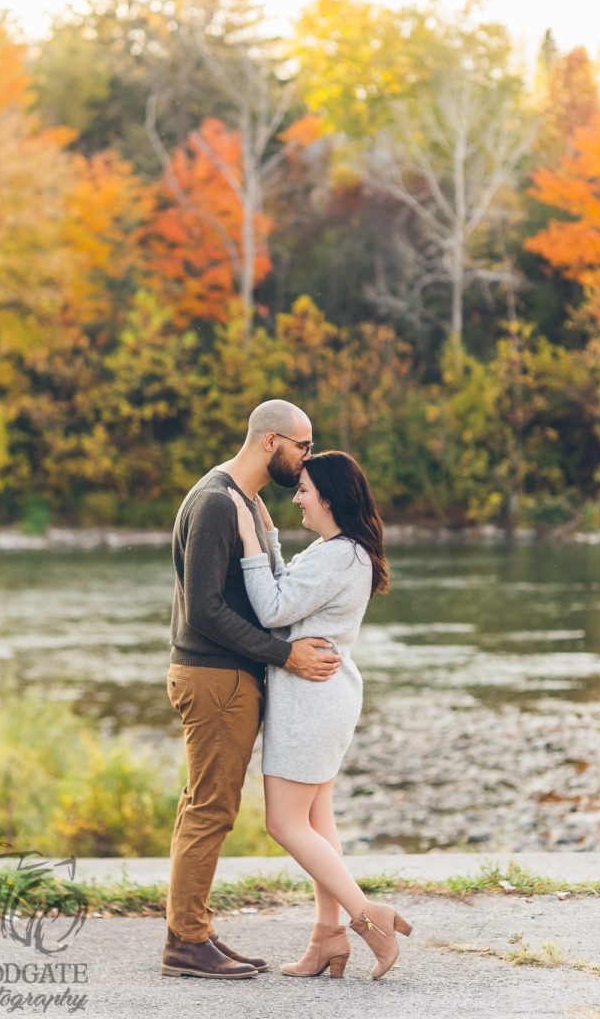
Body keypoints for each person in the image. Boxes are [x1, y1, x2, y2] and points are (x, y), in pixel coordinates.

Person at [161, 400, 342, 980]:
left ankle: (194, 931)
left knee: (205, 805)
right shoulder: (217, 503)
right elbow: (205, 611)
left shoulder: (245, 501)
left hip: (228, 677)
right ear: (271, 442)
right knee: (210, 808)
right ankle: (186, 944)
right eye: (302, 446)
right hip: (215, 677)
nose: (306, 457)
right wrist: (285, 655)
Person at [227, 451, 412, 981]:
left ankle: (365, 915)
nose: (297, 497)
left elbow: (273, 610)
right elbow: (292, 590)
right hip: (321, 696)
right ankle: (326, 937)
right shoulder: (338, 550)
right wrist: (272, 538)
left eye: (304, 489)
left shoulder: (340, 557)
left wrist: (248, 542)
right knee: (316, 820)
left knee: (284, 823)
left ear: (328, 497)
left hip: (312, 701)